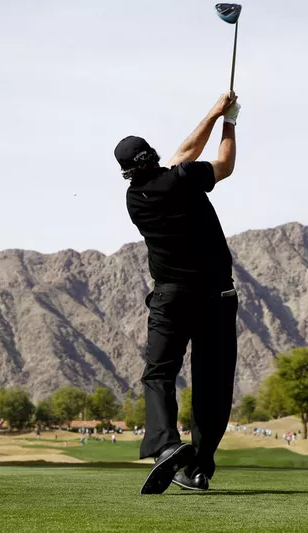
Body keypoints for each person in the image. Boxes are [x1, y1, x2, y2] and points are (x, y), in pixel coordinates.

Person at [115, 91, 241, 495]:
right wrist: (228, 121)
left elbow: (181, 155)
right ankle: (200, 468)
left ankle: (166, 443)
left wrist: (213, 113)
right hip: (217, 298)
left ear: (126, 172)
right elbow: (224, 164)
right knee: (213, 383)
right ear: (153, 157)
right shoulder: (184, 179)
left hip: (171, 300)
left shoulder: (135, 199)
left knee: (159, 373)